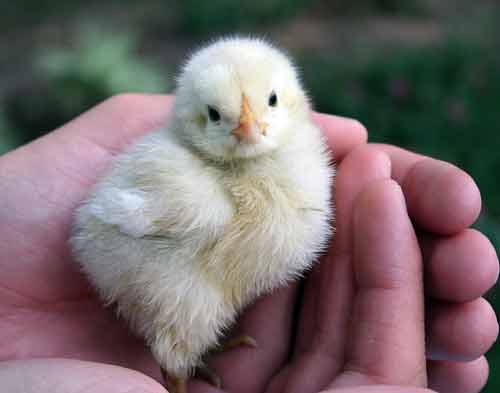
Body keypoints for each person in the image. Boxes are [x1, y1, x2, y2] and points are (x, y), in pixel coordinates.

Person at [0, 94, 497, 393]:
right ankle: (177, 368)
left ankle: (186, 357)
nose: (248, 125)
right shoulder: (197, 188)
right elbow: (111, 219)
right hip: (148, 254)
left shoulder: (286, 157)